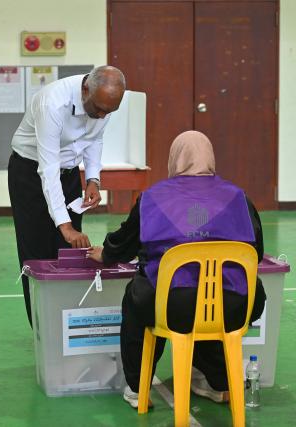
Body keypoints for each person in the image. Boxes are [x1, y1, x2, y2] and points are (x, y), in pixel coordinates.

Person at [88, 130, 266, 408]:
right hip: (233, 305)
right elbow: (256, 251)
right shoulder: (239, 198)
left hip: (172, 306)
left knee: (142, 295)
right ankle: (217, 382)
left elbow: (125, 242)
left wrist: (107, 252)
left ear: (175, 158)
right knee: (213, 296)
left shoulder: (152, 198)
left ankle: (138, 388)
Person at [8, 65, 126, 325]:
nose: (103, 115)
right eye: (99, 109)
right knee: (37, 253)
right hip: (30, 174)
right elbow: (47, 169)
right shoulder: (52, 103)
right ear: (86, 90)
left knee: (70, 254)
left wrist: (93, 179)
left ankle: (66, 325)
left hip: (69, 174)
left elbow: (94, 139)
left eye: (109, 112)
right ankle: (41, 328)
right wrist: (65, 225)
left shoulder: (101, 102)